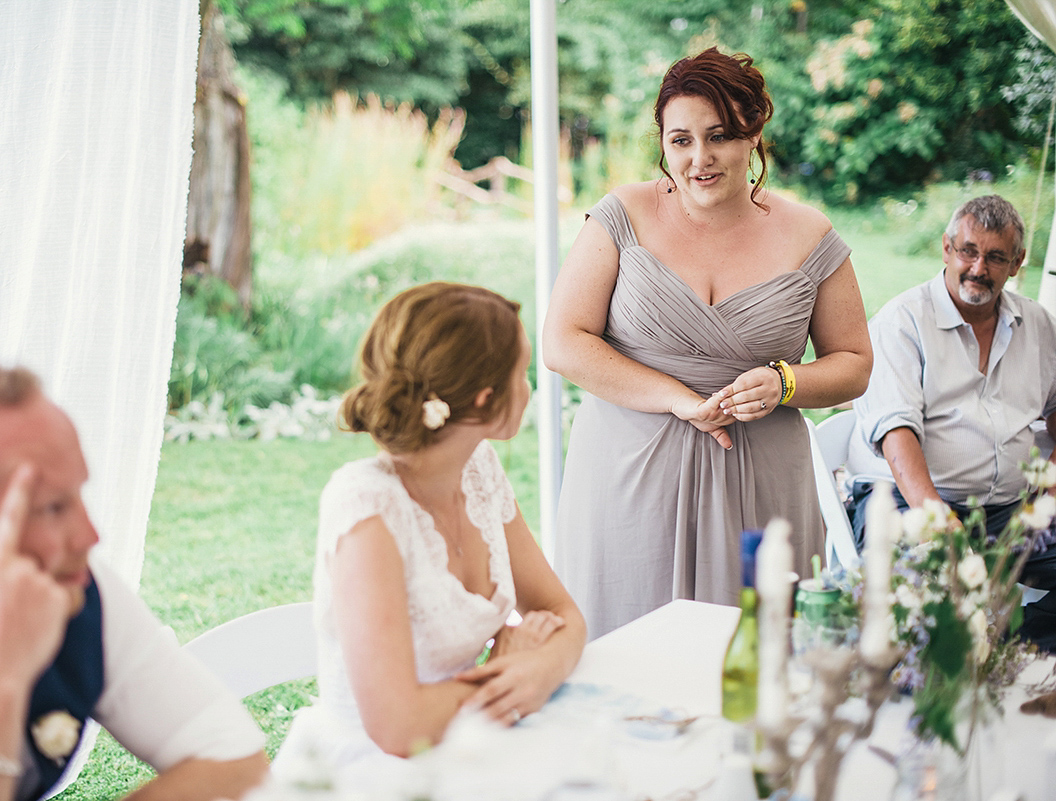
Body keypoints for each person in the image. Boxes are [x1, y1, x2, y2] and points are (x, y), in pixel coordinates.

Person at [543, 47, 873, 639]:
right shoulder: (622, 216)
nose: (699, 159)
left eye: (718, 135)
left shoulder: (809, 234)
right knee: (624, 656)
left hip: (762, 479)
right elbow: (563, 341)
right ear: (663, 145)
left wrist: (785, 382)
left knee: (751, 665)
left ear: (754, 132)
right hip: (627, 473)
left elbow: (854, 365)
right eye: (680, 141)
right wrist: (672, 396)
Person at [0, 364, 269, 801]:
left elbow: (235, 762)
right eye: (52, 508)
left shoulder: (76, 591)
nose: (91, 536)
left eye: (79, 495)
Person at [274, 282, 586, 786]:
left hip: (468, 744)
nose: (530, 387)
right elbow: (397, 727)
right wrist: (505, 669)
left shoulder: (479, 469)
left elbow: (563, 614)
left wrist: (536, 669)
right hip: (372, 773)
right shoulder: (367, 508)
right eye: (521, 373)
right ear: (486, 399)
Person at [846, 195, 1056, 589]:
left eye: (996, 257)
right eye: (968, 251)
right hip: (906, 501)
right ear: (947, 248)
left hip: (1008, 513)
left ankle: (1012, 646)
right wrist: (938, 521)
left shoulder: (1039, 326)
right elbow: (897, 434)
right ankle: (986, 640)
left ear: (1017, 262)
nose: (979, 268)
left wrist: (1052, 482)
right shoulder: (902, 321)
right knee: (923, 590)